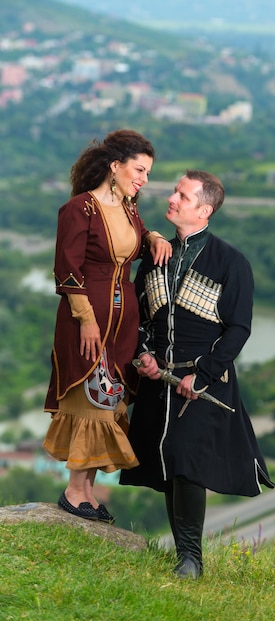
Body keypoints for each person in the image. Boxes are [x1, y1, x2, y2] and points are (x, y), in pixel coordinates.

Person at [120, 169, 274, 578]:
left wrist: (202, 374)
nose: (172, 198)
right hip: (158, 384)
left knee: (187, 462)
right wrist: (142, 355)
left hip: (202, 383)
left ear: (204, 210)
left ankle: (191, 560)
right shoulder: (156, 257)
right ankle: (183, 557)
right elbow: (137, 318)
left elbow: (238, 327)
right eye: (174, 191)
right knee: (167, 463)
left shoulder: (231, 262)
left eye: (182, 196)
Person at [43, 129, 172, 523]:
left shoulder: (129, 207)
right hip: (89, 321)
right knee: (90, 399)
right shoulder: (79, 209)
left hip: (123, 323)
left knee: (110, 398)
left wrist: (152, 236)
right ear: (114, 167)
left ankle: (86, 492)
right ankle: (72, 491)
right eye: (139, 169)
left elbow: (128, 240)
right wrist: (85, 321)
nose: (144, 179)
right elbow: (67, 270)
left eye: (148, 172)